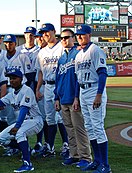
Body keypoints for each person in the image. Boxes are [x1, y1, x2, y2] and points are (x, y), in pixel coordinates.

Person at [0, 69, 43, 172]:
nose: (12, 80)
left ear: (21, 79)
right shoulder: (11, 94)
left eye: (14, 78)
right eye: (10, 78)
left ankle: (28, 164)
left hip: (35, 121)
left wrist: (17, 126)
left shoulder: (27, 90)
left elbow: (24, 110)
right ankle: (26, 149)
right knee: (1, 138)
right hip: (24, 122)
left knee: (19, 133)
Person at [74, 24, 111, 173]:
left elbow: (102, 73)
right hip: (83, 91)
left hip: (94, 89)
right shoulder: (78, 55)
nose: (80, 37)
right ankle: (97, 161)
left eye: (82, 34)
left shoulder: (95, 50)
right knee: (89, 127)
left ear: (89, 35)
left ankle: (105, 165)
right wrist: (76, 98)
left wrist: (99, 95)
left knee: (97, 127)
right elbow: (77, 79)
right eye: (78, 35)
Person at [54, 29, 92, 168]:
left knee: (79, 129)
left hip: (74, 98)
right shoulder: (62, 58)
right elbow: (58, 79)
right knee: (69, 130)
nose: (63, 40)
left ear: (73, 38)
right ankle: (74, 155)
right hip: (63, 98)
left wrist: (77, 97)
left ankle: (85, 157)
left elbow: (79, 79)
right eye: (61, 38)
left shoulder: (78, 55)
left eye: (66, 37)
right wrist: (56, 97)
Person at [35, 23, 69, 158]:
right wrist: (38, 89)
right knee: (49, 118)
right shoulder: (42, 52)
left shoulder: (62, 47)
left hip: (60, 85)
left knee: (62, 116)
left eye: (47, 32)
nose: (45, 35)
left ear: (54, 32)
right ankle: (50, 146)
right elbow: (40, 73)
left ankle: (67, 145)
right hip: (47, 86)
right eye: (43, 33)